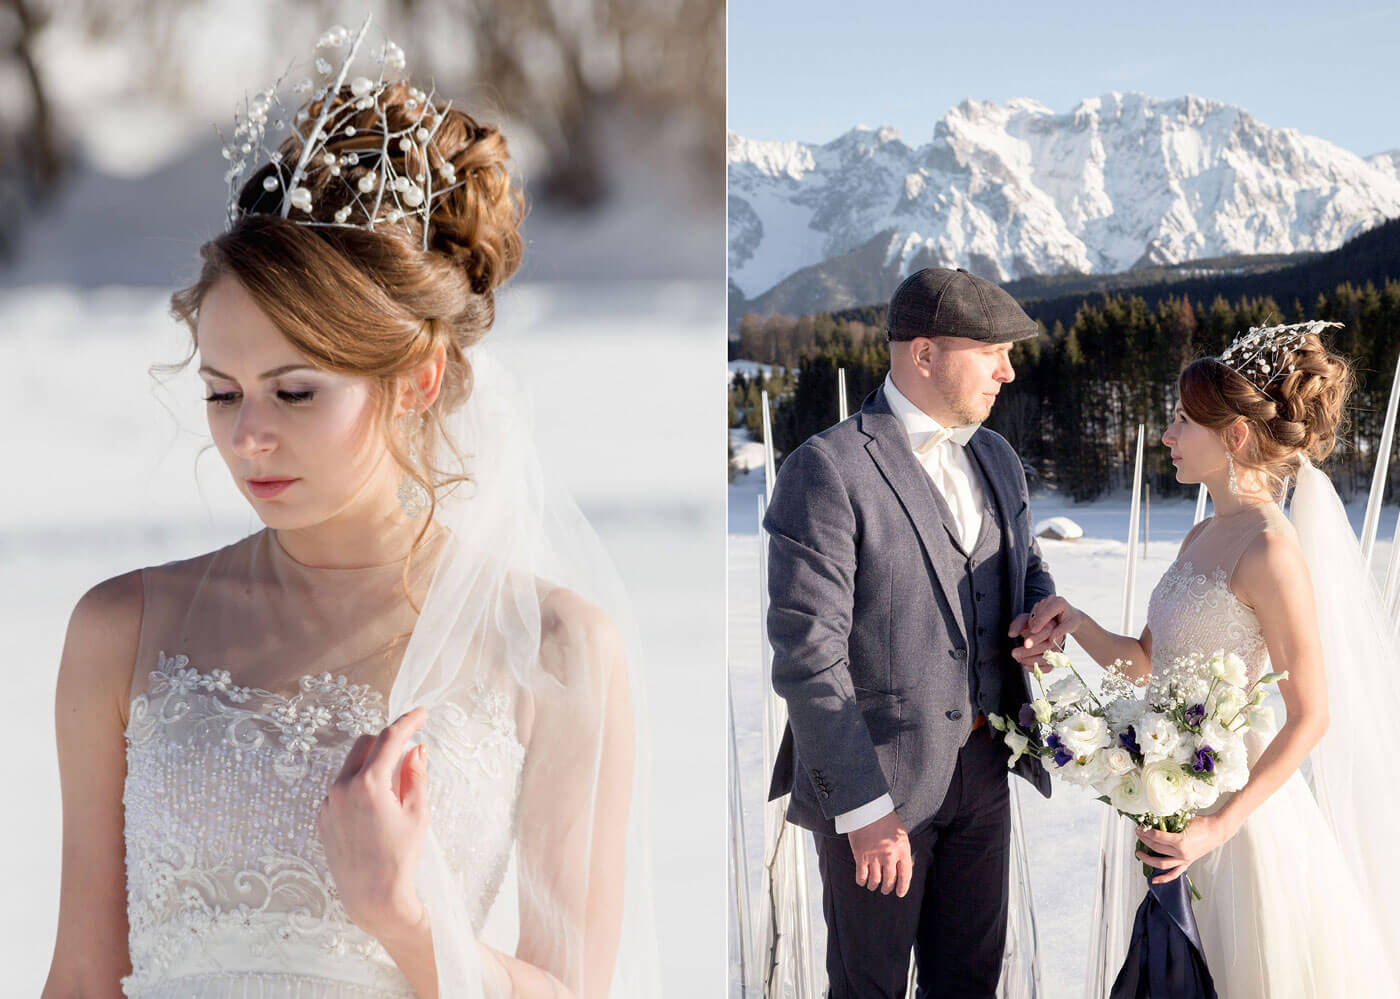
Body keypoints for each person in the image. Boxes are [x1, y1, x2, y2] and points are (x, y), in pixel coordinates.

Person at [41, 21, 655, 999]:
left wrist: (411, 923)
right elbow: (80, 976)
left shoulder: (554, 647)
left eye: (294, 392)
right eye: (220, 391)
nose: (247, 438)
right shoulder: (120, 632)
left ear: (417, 379)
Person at [1022, 322, 1400, 997]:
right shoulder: (1202, 531)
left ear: (1233, 436)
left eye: (1180, 421)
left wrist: (1217, 826)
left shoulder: (1269, 550)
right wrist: (1075, 622)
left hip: (1235, 819)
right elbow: (1147, 658)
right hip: (1170, 799)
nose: (1166, 435)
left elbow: (1312, 716)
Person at [762, 266, 1054, 998]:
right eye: (992, 350)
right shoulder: (826, 469)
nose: (1007, 370)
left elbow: (1029, 569)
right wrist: (862, 809)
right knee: (870, 988)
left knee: (971, 982)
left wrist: (1041, 611)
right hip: (878, 789)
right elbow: (808, 657)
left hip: (985, 778)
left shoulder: (998, 457)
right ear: (923, 355)